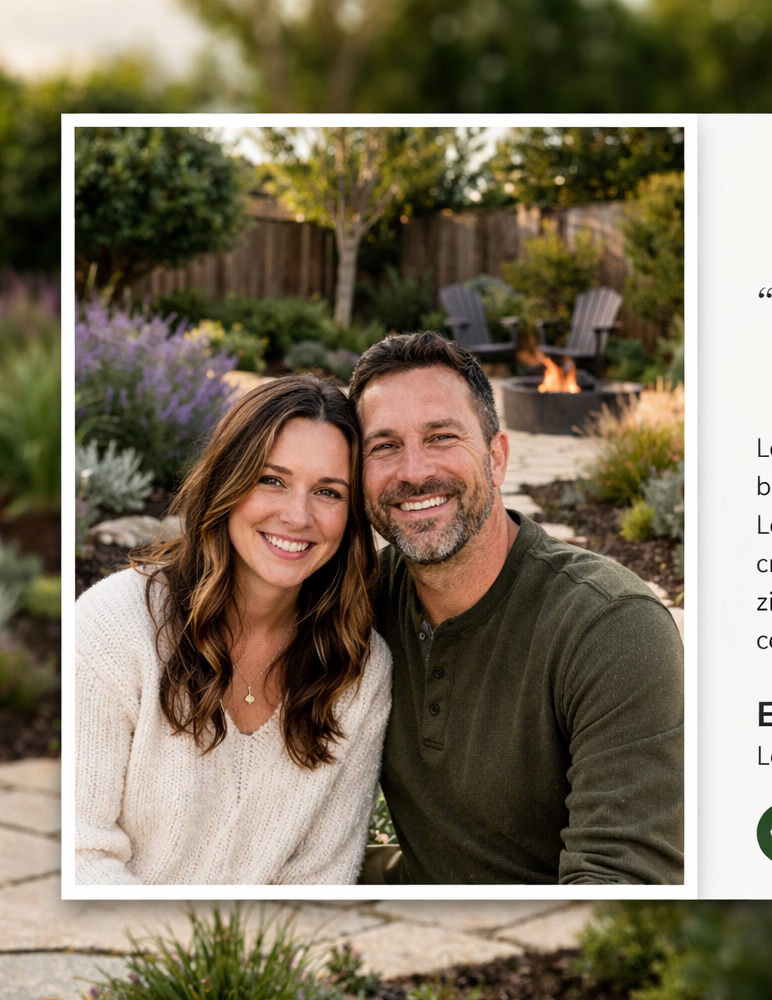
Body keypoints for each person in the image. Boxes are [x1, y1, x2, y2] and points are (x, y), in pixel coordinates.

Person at [350, 332, 683, 885]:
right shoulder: (357, 606)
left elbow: (619, 886)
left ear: (497, 458)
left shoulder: (611, 627)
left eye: (441, 436)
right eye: (383, 446)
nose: (413, 470)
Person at [74, 375, 392, 885]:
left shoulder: (357, 668)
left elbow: (320, 879)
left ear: (352, 517)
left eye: (328, 492)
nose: (297, 515)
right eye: (272, 480)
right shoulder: (116, 627)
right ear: (228, 480)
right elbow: (80, 856)